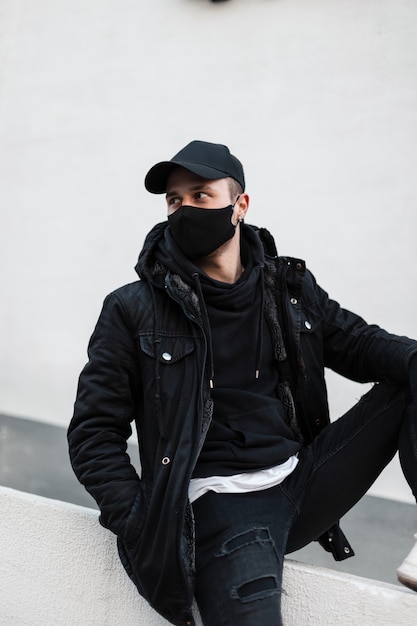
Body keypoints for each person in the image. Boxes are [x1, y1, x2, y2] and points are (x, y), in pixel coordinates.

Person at [68, 140, 417, 626]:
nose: (185, 208)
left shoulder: (287, 289)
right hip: (222, 505)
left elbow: (361, 344)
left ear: (240, 205)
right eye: (174, 200)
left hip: (303, 478)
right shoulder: (133, 309)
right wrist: (142, 524)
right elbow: (92, 434)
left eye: (201, 195)